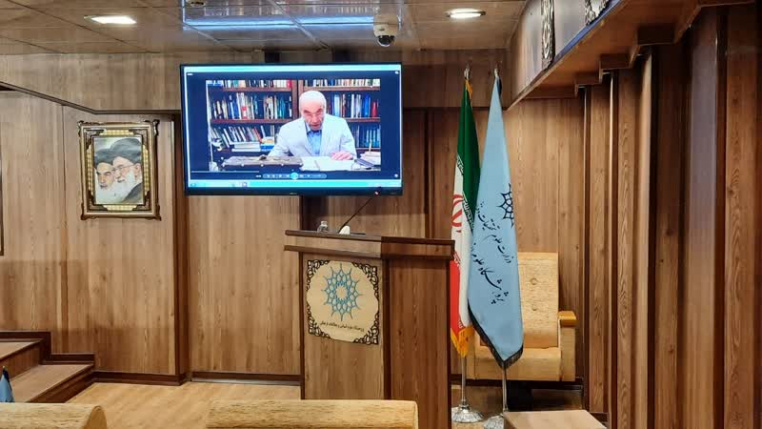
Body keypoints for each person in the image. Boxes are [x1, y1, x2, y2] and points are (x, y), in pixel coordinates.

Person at [269, 90, 356, 160]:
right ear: (300, 111)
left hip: (333, 175)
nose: (315, 120)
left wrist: (348, 156)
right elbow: (274, 158)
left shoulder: (340, 125)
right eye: (308, 114)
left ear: (325, 109)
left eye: (319, 112)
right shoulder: (287, 130)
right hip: (302, 176)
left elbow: (352, 156)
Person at [110, 138, 144, 205]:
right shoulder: (133, 195)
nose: (117, 175)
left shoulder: (139, 197)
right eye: (114, 169)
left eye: (121, 168)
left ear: (137, 168)